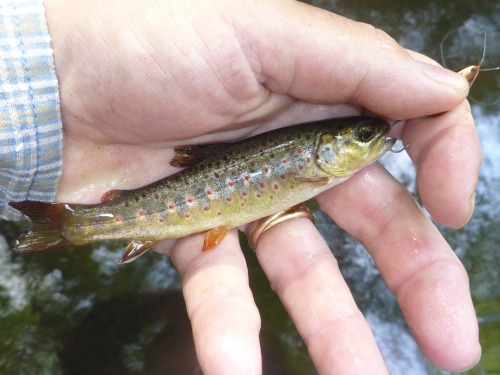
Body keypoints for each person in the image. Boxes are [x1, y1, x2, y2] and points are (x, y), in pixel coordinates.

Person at [1, 0, 482, 373]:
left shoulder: (320, 161)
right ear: (324, 152)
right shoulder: (313, 163)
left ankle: (69, 226)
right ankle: (70, 226)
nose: (372, 137)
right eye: (361, 136)